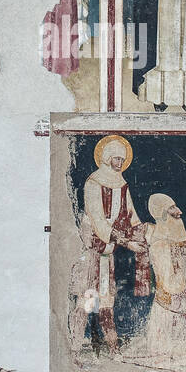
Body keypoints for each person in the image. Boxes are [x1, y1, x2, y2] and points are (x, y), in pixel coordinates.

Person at [72, 135, 148, 355]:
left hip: (107, 255)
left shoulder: (122, 184)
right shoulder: (94, 183)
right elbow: (98, 222)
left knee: (106, 304)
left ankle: (113, 349)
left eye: (122, 159)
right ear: (106, 158)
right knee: (87, 304)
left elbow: (132, 216)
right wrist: (127, 243)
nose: (119, 163)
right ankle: (75, 350)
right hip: (91, 254)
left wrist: (144, 235)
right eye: (116, 158)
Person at [121, 193, 186, 372]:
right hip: (169, 316)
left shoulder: (178, 238)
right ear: (161, 213)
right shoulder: (160, 244)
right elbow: (171, 286)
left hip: (183, 312)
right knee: (179, 362)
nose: (179, 212)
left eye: (176, 207)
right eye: (172, 209)